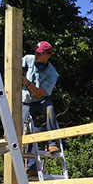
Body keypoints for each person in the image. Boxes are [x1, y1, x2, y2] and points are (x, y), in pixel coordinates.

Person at [22, 41, 59, 176]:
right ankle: (30, 167)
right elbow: (14, 67)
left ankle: (52, 142)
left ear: (48, 55)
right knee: (28, 130)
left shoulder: (52, 74)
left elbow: (40, 93)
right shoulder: (28, 60)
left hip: (41, 99)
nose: (36, 55)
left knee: (49, 109)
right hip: (26, 101)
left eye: (40, 53)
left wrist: (27, 83)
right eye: (36, 52)